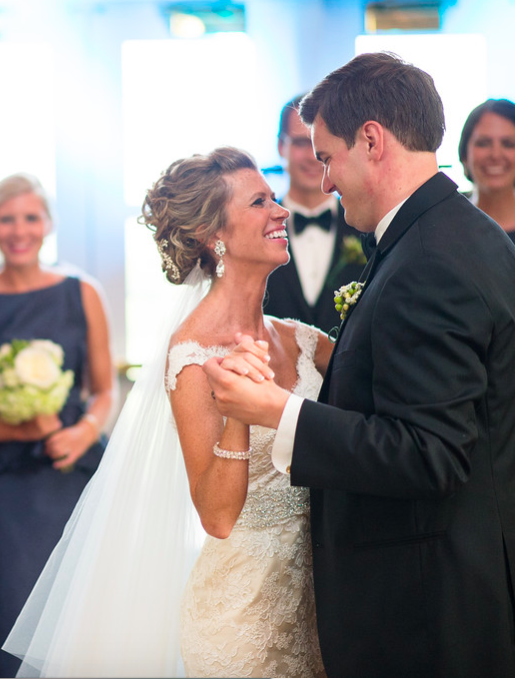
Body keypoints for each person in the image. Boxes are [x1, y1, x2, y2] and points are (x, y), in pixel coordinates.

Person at [204, 52, 515, 677]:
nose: (322, 181)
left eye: (326, 156)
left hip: (424, 614)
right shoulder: (460, 234)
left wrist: (278, 412)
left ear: (371, 140)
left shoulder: (428, 259)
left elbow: (429, 453)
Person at [3, 149, 328, 677]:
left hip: (321, 601)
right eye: (259, 202)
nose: (281, 211)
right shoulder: (193, 356)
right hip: (241, 619)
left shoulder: (302, 341)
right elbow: (216, 516)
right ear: (212, 235)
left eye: (274, 198)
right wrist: (240, 411)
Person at [0, 173, 114, 678]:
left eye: (30, 218)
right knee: (2, 608)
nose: (19, 230)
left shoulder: (83, 293)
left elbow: (103, 389)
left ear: (47, 225)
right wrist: (20, 429)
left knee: (73, 611)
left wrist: (84, 431)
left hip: (70, 472)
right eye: (6, 219)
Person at [264, 94, 367, 334]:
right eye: (301, 143)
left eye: (321, 145)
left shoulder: (366, 228)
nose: (313, 157)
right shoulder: (257, 228)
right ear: (281, 146)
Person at [458, 98, 515, 239]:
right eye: (483, 143)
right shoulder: (443, 220)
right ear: (464, 155)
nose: (495, 155)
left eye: (508, 144)